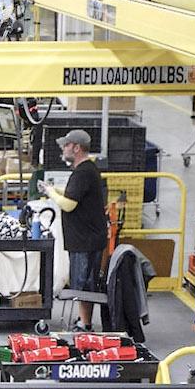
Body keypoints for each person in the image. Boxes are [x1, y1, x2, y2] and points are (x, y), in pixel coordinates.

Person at [43, 130, 110, 329]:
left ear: (76, 147)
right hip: (85, 238)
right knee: (83, 282)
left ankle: (85, 323)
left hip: (85, 240)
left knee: (83, 283)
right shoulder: (86, 170)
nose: (63, 149)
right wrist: (56, 191)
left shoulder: (83, 172)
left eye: (66, 145)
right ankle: (84, 320)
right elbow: (75, 195)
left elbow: (69, 204)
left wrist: (50, 194)